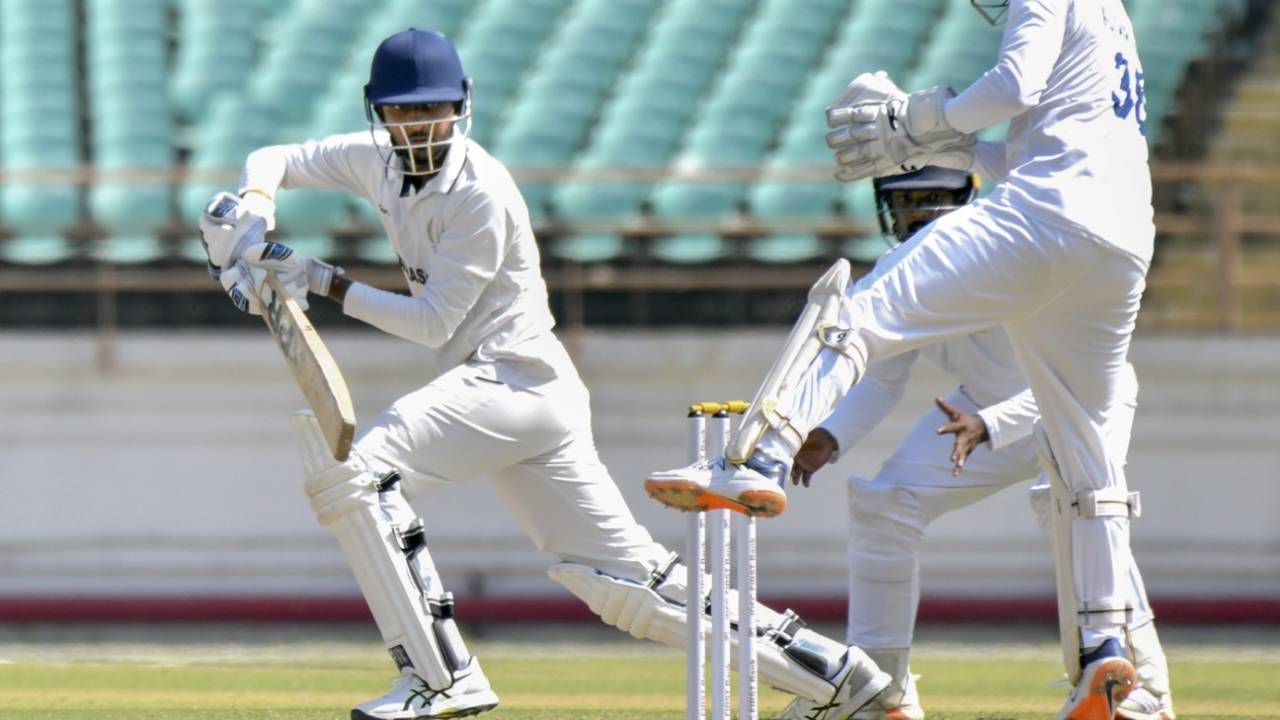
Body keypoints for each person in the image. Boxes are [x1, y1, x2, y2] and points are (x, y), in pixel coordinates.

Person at [198, 28, 892, 720]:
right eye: (404, 111)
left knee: (359, 476)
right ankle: (838, 676)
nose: (418, 124)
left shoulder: (480, 192)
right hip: (521, 396)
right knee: (627, 587)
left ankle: (442, 678)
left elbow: (433, 323)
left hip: (510, 380)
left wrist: (320, 278)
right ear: (378, 112)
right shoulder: (371, 160)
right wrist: (257, 204)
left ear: (461, 104)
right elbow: (275, 156)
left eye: (431, 108)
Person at [646, 1, 1156, 717]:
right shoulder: (1113, 18)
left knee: (852, 311)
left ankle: (755, 458)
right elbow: (1037, 139)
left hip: (1048, 219)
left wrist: (910, 120)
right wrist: (939, 143)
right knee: (1085, 459)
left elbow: (1013, 86)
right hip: (1123, 239)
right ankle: (1107, 651)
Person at [776, 168, 1173, 720]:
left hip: (1079, 401)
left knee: (1067, 505)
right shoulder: (909, 270)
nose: (915, 213)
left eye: (929, 199)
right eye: (904, 202)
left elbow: (1061, 378)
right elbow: (883, 372)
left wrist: (991, 423)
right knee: (885, 504)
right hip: (975, 415)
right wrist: (828, 432)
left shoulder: (1011, 252)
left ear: (965, 199)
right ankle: (880, 692)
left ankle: (1142, 692)